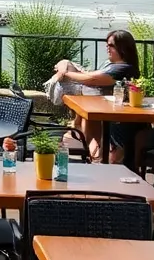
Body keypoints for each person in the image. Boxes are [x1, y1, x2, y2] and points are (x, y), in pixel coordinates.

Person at [47, 29, 140, 162]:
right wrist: (64, 68)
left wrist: (65, 74)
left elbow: (92, 79)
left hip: (110, 112)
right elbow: (87, 75)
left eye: (111, 45)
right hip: (98, 108)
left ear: (123, 47)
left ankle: (97, 156)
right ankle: (93, 155)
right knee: (84, 116)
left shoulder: (123, 68)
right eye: (107, 44)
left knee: (86, 119)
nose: (107, 48)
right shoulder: (111, 65)